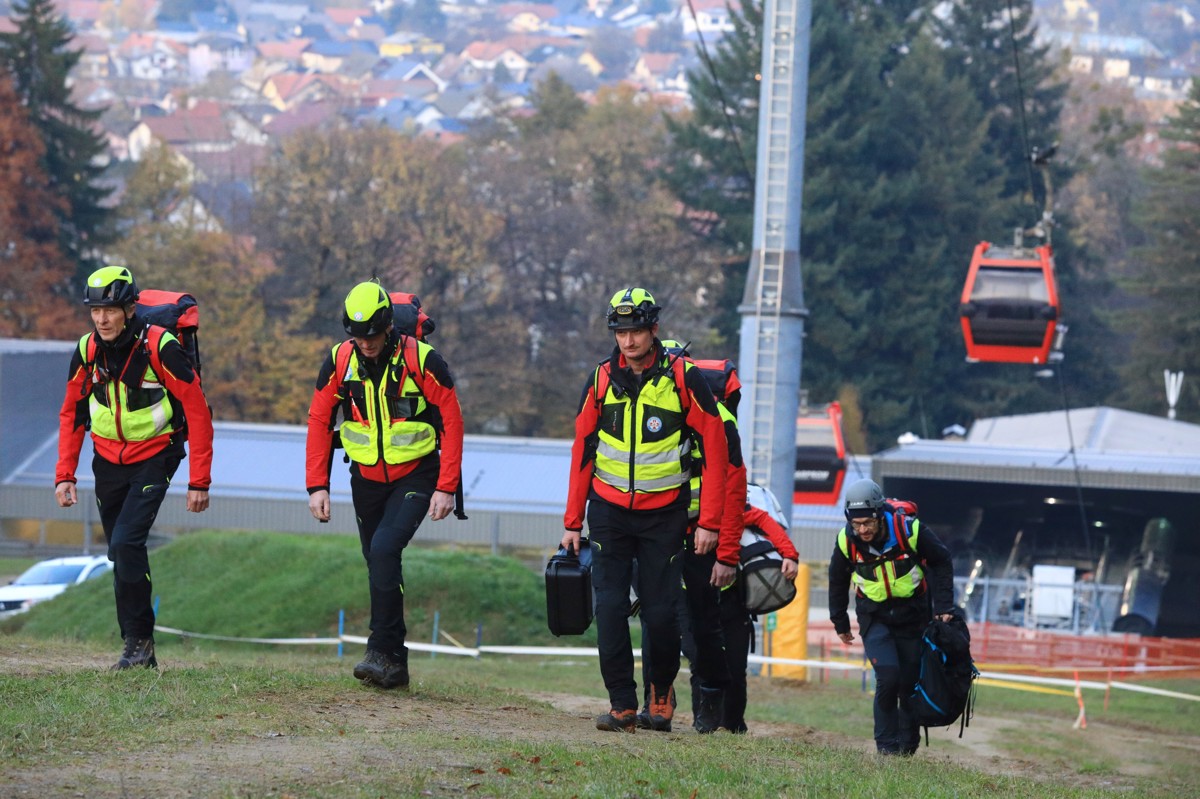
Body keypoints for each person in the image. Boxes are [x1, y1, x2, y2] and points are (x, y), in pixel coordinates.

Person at [561, 288, 729, 733]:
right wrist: (571, 521)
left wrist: (709, 522)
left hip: (664, 516)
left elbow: (714, 451)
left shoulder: (683, 378)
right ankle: (620, 703)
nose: (629, 340)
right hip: (609, 512)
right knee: (611, 607)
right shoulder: (599, 379)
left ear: (654, 330)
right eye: (621, 332)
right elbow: (583, 450)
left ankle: (660, 690)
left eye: (636, 330)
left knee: (659, 612)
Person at [55, 265, 214, 670]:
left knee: (126, 544)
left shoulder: (159, 347)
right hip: (106, 460)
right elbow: (72, 412)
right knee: (119, 552)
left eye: (110, 309)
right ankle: (136, 647)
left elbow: (197, 412)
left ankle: (139, 643)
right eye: (95, 311)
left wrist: (200, 480)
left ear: (129, 309)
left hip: (156, 455)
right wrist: (65, 474)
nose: (102, 319)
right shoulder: (88, 350)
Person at [306, 280, 464, 690]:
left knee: (384, 549)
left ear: (388, 327)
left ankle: (378, 651)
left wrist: (446, 487)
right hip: (366, 480)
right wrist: (316, 486)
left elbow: (452, 420)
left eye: (372, 334)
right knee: (377, 562)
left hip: (417, 475)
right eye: (357, 336)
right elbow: (320, 421)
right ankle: (396, 664)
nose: (366, 343)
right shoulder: (340, 361)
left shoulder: (423, 361)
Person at [636, 340, 742, 733]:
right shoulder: (639, 409)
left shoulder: (722, 424)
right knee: (654, 617)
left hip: (705, 538)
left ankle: (711, 692)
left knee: (701, 626)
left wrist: (727, 554)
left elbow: (734, 492)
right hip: (655, 532)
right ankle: (657, 699)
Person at [828, 478, 955, 755]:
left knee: (909, 681)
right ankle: (886, 747)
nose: (862, 530)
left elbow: (941, 560)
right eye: (856, 524)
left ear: (879, 515)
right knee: (888, 676)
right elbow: (837, 580)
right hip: (875, 617)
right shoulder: (845, 540)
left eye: (868, 524)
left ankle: (907, 747)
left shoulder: (910, 531)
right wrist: (839, 621)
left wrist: (944, 606)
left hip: (913, 614)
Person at [717, 483, 799, 733]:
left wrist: (790, 554)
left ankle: (731, 725)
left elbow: (761, 518)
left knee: (734, 665)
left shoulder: (727, 502)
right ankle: (708, 721)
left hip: (734, 598)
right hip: (701, 597)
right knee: (705, 662)